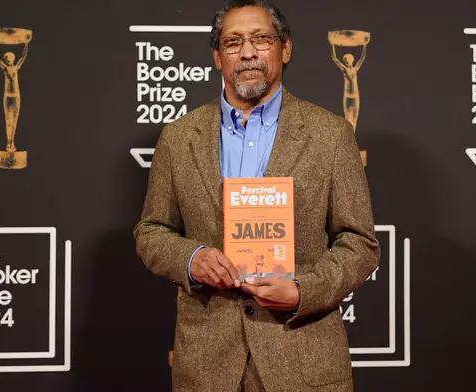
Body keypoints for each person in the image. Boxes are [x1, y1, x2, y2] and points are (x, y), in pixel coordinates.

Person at [133, 1, 380, 390]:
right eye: (233, 42)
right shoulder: (179, 138)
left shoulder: (331, 135)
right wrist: (192, 259)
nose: (247, 52)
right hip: (207, 366)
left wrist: (303, 291)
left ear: (285, 49)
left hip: (303, 358)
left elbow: (360, 243)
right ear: (217, 57)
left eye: (261, 39)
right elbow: (152, 231)